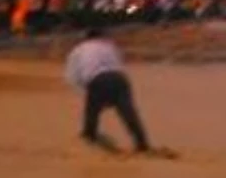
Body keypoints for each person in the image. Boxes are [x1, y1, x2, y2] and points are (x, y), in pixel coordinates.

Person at [64, 28, 176, 158]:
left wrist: (88, 93)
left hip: (97, 79)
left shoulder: (78, 50)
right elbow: (118, 64)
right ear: (101, 37)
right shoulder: (109, 46)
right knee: (129, 113)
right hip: (120, 78)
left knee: (91, 113)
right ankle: (142, 145)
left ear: (85, 38)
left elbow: (71, 77)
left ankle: (90, 139)